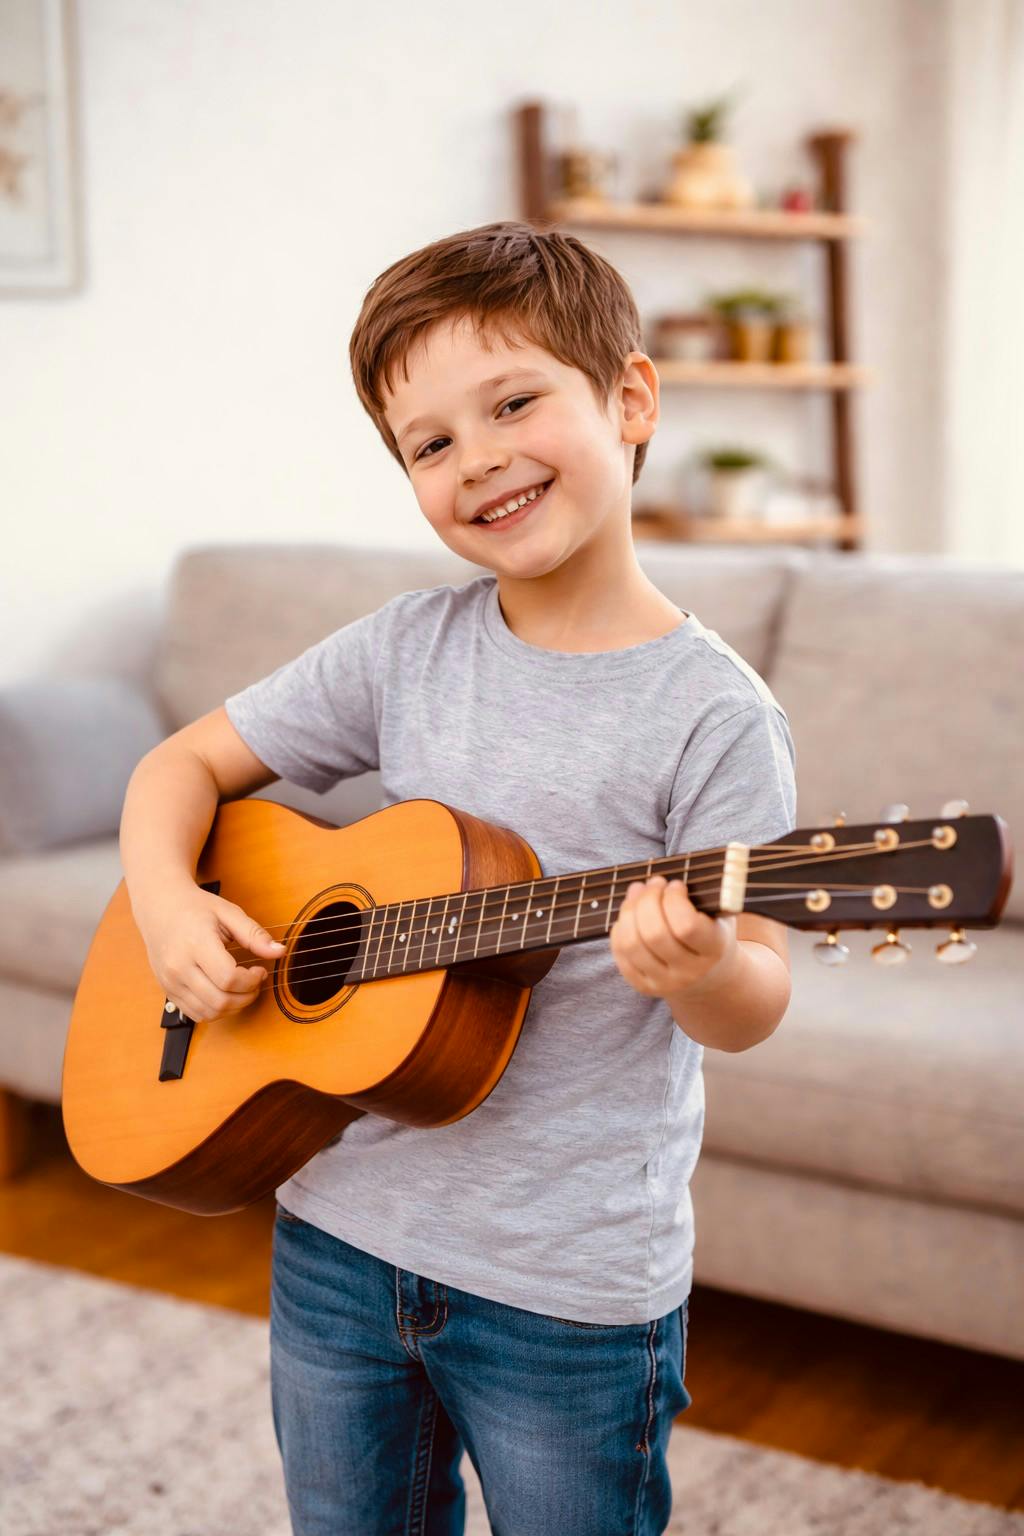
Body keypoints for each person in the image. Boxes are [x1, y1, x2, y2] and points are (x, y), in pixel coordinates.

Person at [119, 220, 797, 1536]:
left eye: (515, 401)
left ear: (631, 398)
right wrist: (166, 901)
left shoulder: (714, 715)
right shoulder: (403, 651)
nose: (477, 456)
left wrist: (705, 968)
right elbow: (177, 769)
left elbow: (758, 991)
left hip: (568, 1288)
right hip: (334, 1228)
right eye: (430, 443)